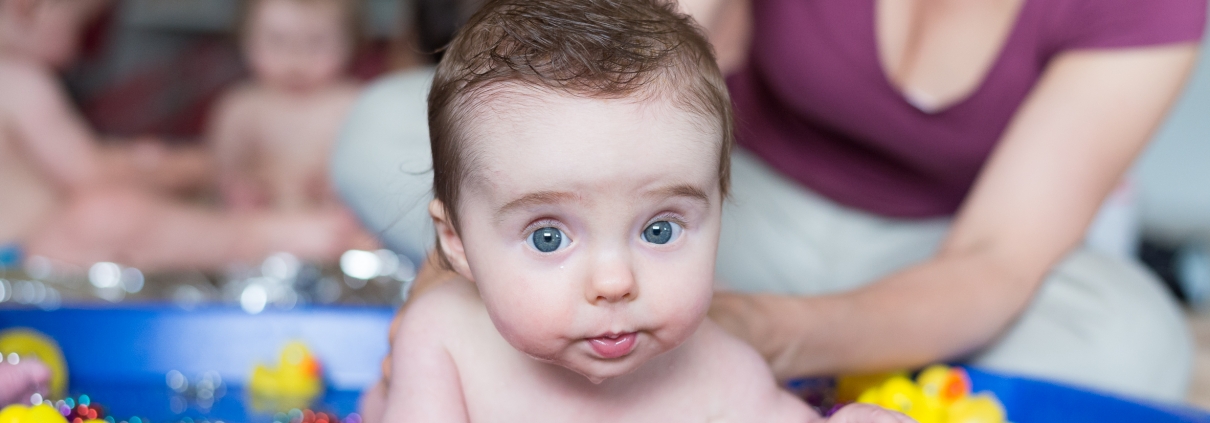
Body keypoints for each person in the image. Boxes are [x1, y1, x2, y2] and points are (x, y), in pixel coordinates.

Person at [337, 0, 1207, 404]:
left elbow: (1002, 258)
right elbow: (610, 82)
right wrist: (449, 289)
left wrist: (771, 332)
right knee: (409, 127)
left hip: (933, 249)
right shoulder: (448, 345)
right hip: (739, 196)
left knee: (1133, 340)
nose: (606, 284)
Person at [364, 1, 909, 421]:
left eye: (660, 229)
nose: (615, 281)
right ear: (455, 240)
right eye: (548, 237)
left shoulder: (717, 365)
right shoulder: (443, 341)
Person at [0, 0, 359, 270]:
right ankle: (267, 235)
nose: (86, 47)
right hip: (21, 258)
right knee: (106, 215)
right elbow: (87, 174)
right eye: (84, 26)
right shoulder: (18, 78)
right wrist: (189, 166)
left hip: (22, 250)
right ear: (27, 10)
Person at [208, 0, 363, 212]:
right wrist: (239, 188)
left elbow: (371, 176)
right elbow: (219, 172)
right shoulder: (242, 107)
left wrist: (339, 187)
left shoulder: (354, 103)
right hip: (257, 226)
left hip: (330, 223)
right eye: (277, 41)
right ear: (246, 40)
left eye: (316, 43)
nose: (296, 59)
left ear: (350, 42)